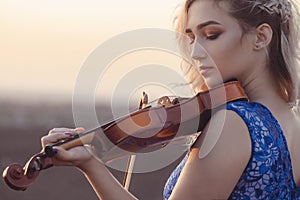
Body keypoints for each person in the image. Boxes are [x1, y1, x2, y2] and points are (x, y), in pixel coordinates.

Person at [41, 0, 300, 199]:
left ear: (261, 37)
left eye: (211, 35)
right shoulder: (293, 122)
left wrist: (91, 166)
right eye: (191, 38)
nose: (196, 53)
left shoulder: (235, 123)